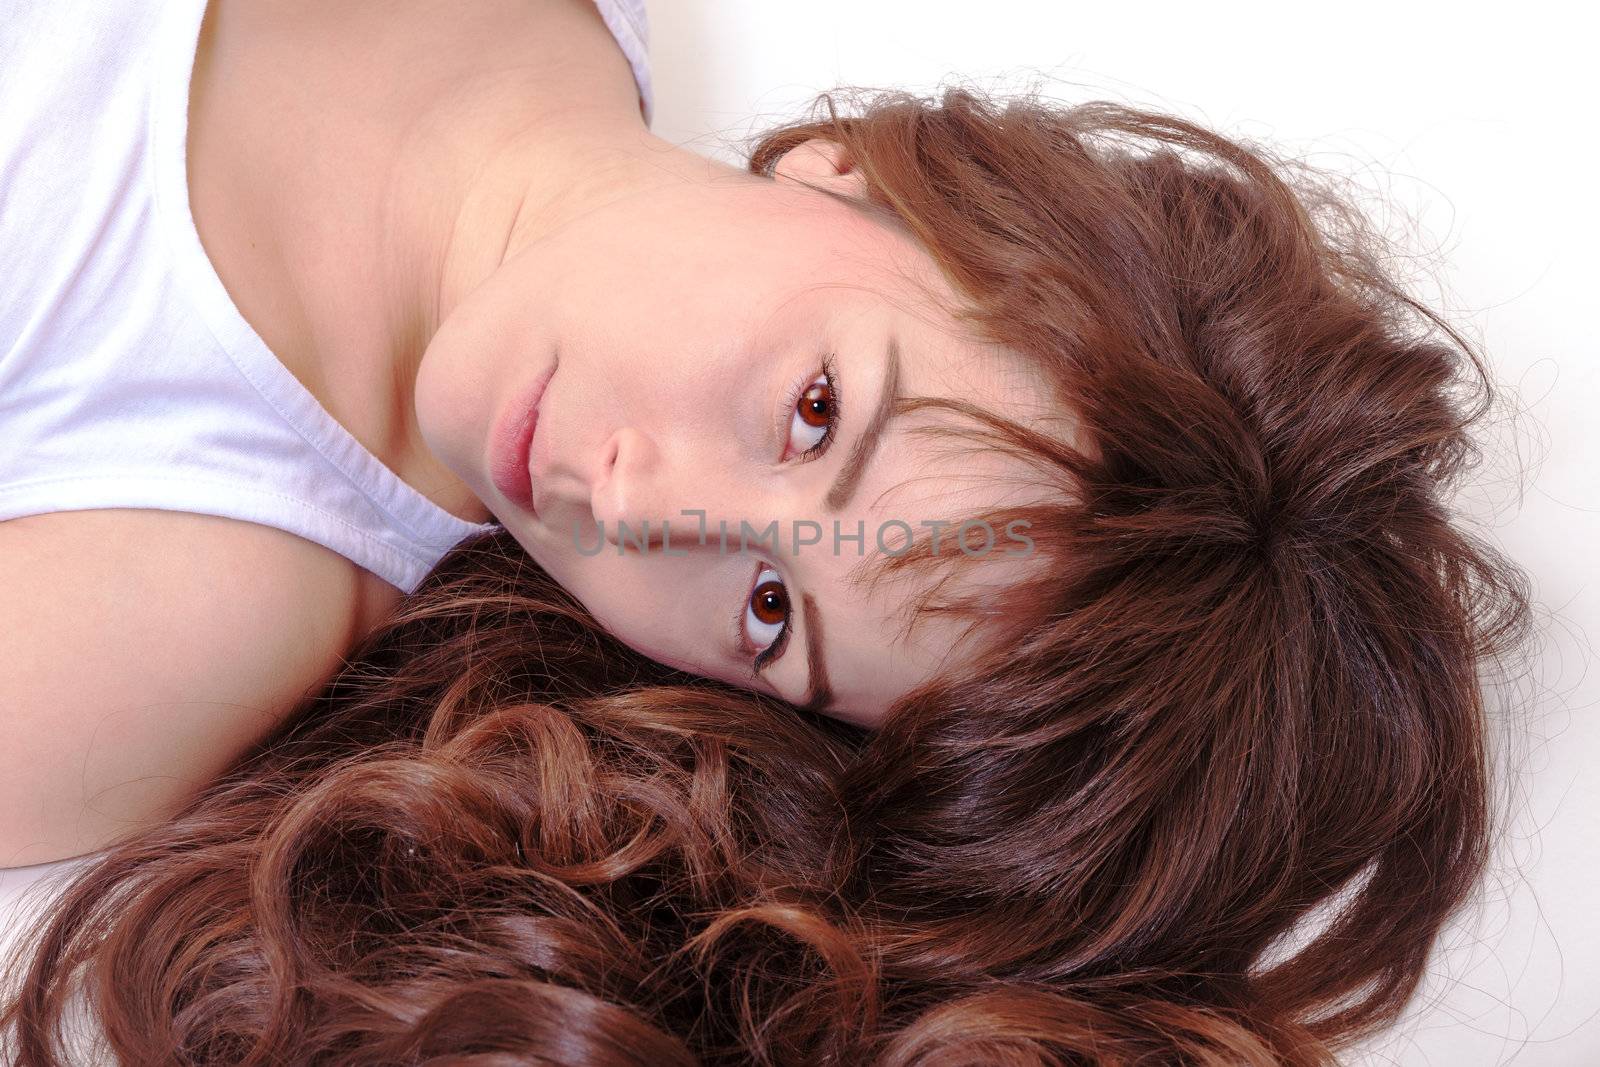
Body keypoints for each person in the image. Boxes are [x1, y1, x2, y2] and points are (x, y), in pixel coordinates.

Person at [0, 0, 1535, 1063]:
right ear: (861, 179)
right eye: (814, 414)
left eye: (769, 617)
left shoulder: (190, 584)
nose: (644, 505)